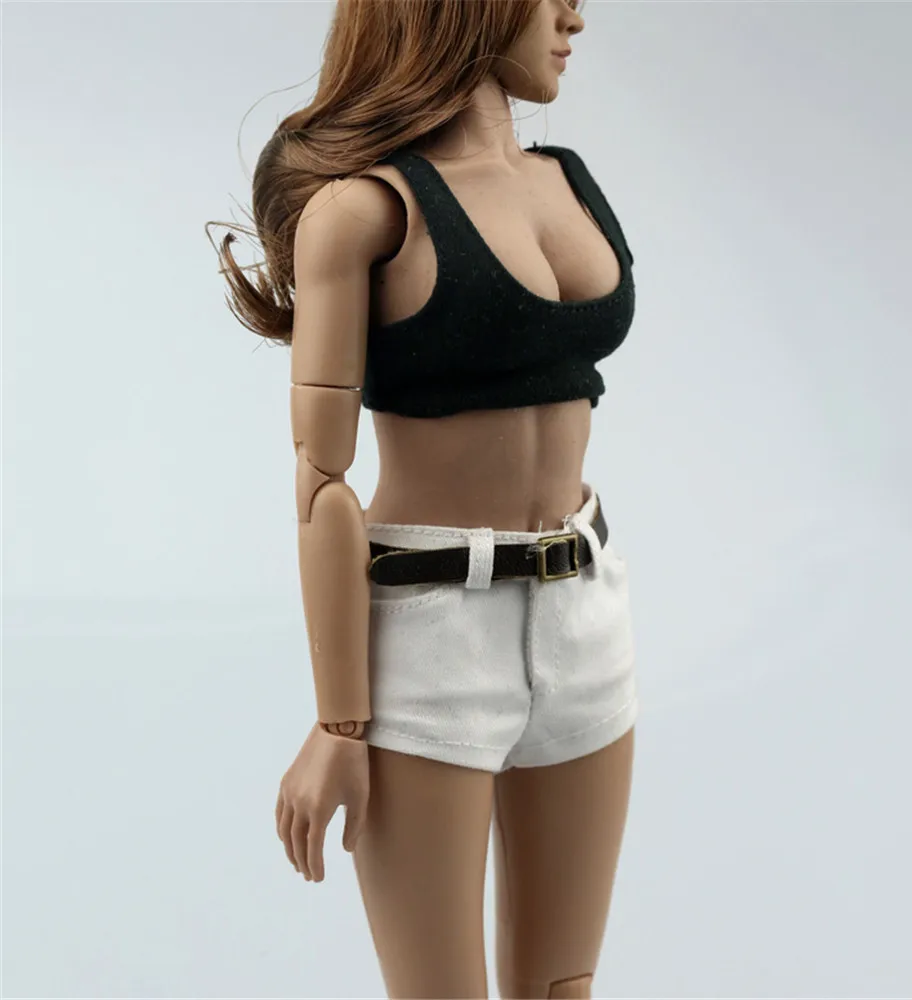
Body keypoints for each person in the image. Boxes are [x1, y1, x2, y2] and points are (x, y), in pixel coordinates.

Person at [209, 0, 638, 995]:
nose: (575, 16)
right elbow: (322, 484)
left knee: (564, 987)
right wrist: (339, 722)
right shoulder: (364, 213)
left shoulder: (566, 179)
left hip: (585, 611)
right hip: (432, 633)